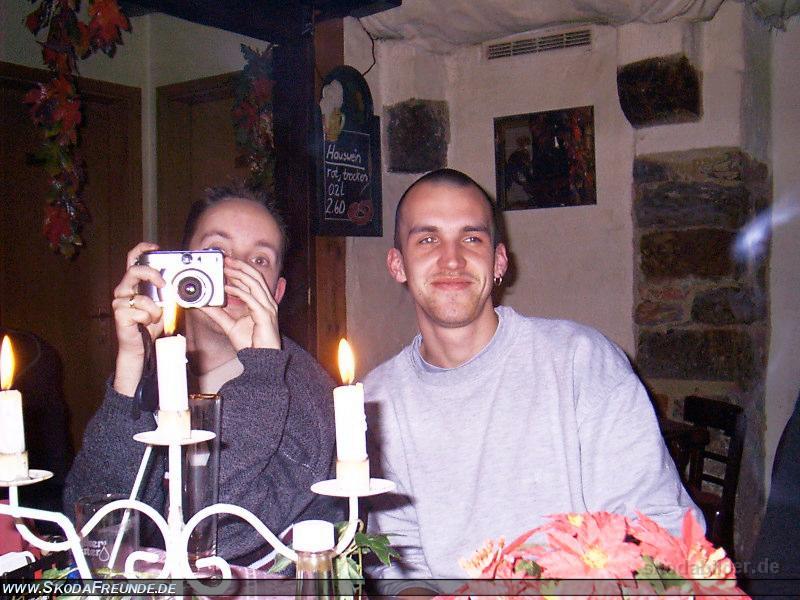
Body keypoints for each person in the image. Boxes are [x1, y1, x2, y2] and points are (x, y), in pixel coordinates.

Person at [364, 168, 701, 594]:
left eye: (472, 238)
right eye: (428, 239)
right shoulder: (376, 400)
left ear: (499, 261)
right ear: (397, 264)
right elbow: (399, 565)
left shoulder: (581, 362)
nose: (452, 259)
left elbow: (658, 529)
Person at [64, 184, 341, 564]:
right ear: (175, 267)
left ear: (276, 293)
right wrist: (130, 366)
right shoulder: (160, 367)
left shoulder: (305, 393)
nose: (235, 270)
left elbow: (217, 536)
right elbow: (94, 529)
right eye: (216, 252)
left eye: (259, 260)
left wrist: (261, 370)